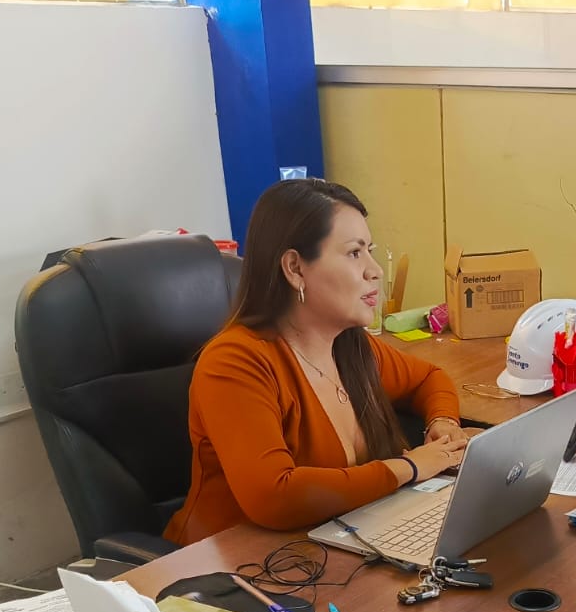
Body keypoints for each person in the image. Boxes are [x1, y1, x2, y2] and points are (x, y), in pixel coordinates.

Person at [165, 179, 468, 543]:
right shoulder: (235, 362)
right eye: (354, 253)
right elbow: (274, 496)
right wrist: (410, 467)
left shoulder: (349, 345)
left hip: (333, 541)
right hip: (231, 560)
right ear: (295, 268)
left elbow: (428, 378)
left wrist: (442, 422)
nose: (374, 270)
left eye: (370, 251)